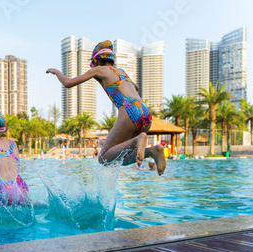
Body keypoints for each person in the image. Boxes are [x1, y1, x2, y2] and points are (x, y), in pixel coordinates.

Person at [47, 40, 166, 175]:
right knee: (119, 156)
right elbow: (136, 87)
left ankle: (137, 140)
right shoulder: (122, 72)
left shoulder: (98, 69)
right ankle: (152, 151)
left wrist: (56, 72)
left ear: (96, 61)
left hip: (129, 110)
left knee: (103, 158)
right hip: (145, 113)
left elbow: (68, 83)